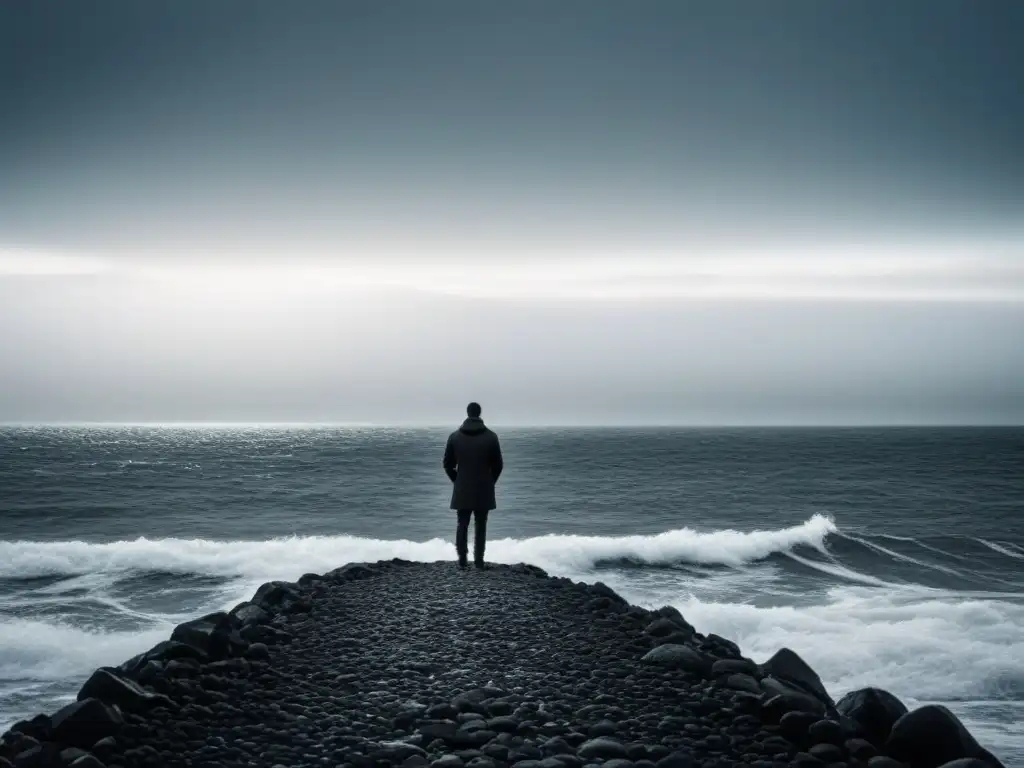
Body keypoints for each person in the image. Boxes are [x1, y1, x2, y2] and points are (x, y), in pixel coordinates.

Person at [443, 402, 503, 569]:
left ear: (467, 413)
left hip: (462, 486)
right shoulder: (491, 437)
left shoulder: (454, 436)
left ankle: (462, 560)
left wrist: (457, 480)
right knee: (481, 524)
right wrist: (490, 482)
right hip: (484, 486)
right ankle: (479, 561)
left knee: (462, 523)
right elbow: (498, 465)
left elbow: (447, 465)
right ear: (480, 413)